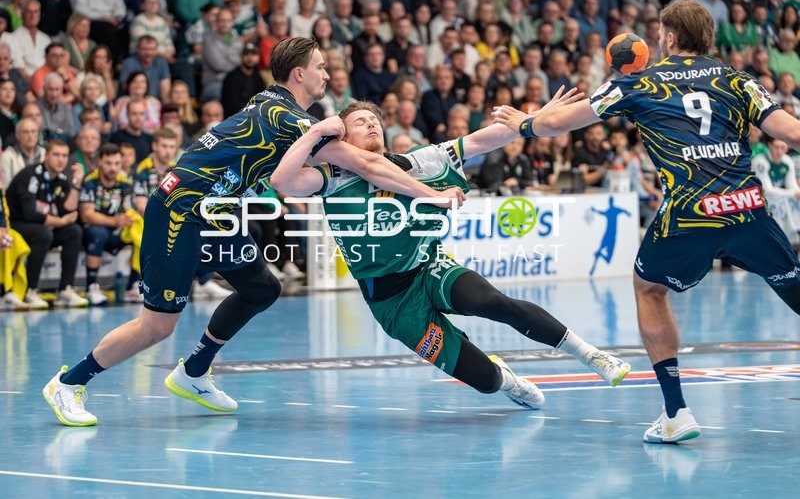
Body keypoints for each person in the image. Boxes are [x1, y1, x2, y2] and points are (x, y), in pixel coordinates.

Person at [43, 37, 464, 427]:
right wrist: (432, 194)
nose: (327, 75)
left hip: (214, 214)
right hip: (179, 212)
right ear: (298, 73)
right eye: (320, 67)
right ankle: (68, 383)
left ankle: (193, 372)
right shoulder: (287, 118)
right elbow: (367, 165)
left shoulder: (276, 107)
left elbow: (350, 162)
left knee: (262, 288)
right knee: (158, 326)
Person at [493, 0, 800, 444]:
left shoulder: (637, 82)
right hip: (746, 207)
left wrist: (525, 124)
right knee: (793, 289)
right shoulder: (737, 79)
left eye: (660, 32)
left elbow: (560, 123)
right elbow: (790, 132)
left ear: (670, 38)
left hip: (691, 213)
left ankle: (676, 413)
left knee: (650, 289)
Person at [270, 95, 630, 411]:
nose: (371, 125)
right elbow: (284, 182)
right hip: (392, 302)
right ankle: (506, 380)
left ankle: (592, 355)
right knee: (484, 380)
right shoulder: (332, 177)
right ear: (343, 137)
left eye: (375, 121)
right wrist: (315, 133)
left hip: (430, 266)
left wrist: (532, 122)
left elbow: (480, 140)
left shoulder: (418, 161)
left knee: (492, 301)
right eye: (359, 122)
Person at [6, 139, 87, 309]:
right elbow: (30, 213)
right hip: (17, 225)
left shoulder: (61, 179)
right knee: (43, 233)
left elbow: (67, 211)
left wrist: (77, 185)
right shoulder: (30, 175)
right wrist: (59, 221)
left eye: (64, 155)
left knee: (74, 231)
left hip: (43, 226)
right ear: (46, 155)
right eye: (56, 155)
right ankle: (30, 291)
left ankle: (65, 289)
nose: (61, 160)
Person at [78, 143, 138, 306]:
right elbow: (86, 215)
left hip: (116, 229)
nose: (113, 168)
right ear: (99, 162)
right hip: (92, 230)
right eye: (108, 163)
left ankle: (134, 286)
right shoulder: (90, 181)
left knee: (141, 232)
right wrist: (114, 221)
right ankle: (92, 287)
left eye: (117, 164)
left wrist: (129, 219)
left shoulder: (125, 183)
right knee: (99, 233)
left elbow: (128, 209)